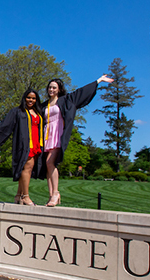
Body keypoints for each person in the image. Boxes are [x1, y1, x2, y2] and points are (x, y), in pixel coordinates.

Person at [41, 74, 113, 206]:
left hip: (58, 134)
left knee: (50, 162)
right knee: (47, 165)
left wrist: (98, 81)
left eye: (54, 88)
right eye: (50, 88)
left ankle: (56, 192)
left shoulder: (66, 100)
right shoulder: (44, 105)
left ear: (59, 89)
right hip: (46, 135)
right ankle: (51, 195)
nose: (51, 90)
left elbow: (81, 92)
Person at [0, 88, 44, 205]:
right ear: (24, 98)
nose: (31, 100)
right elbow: (5, 124)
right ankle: (26, 196)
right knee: (26, 168)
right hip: (24, 143)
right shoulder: (18, 111)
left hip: (36, 143)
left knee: (28, 169)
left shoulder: (38, 112)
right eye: (29, 97)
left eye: (33, 98)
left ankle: (18, 196)